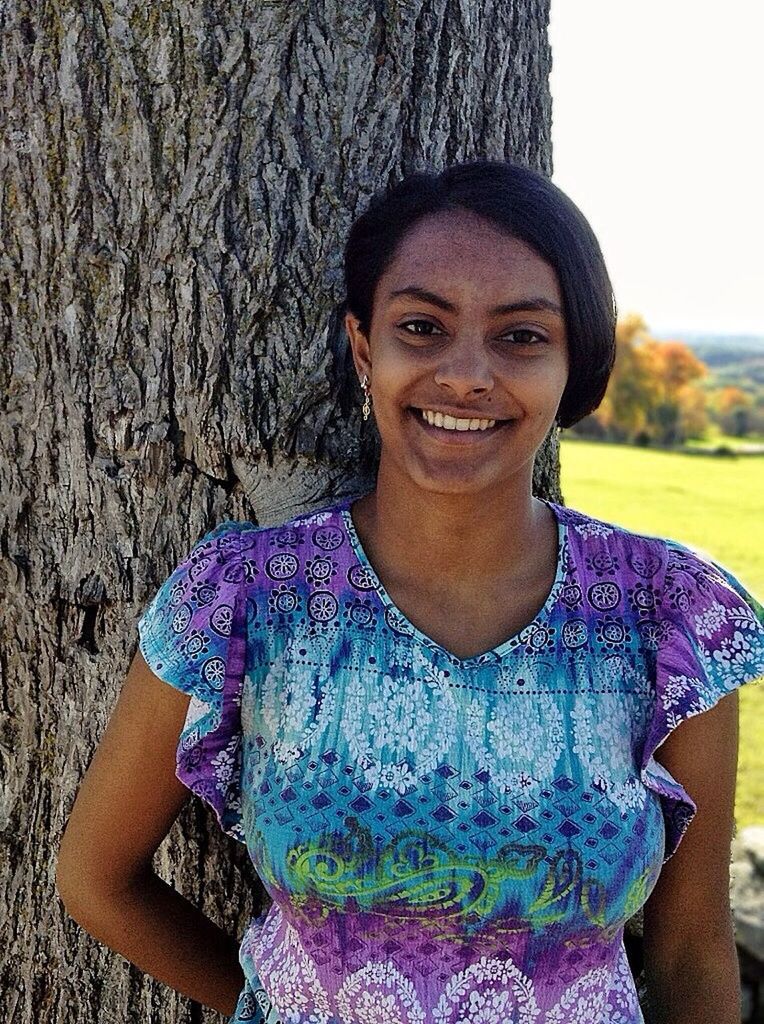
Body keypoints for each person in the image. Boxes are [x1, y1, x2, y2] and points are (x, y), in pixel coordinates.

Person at [56, 158, 764, 1024]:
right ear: (364, 347)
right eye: (423, 327)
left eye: (521, 336)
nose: (467, 374)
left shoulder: (668, 611)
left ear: (575, 361)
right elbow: (96, 880)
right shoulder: (244, 599)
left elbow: (692, 945)